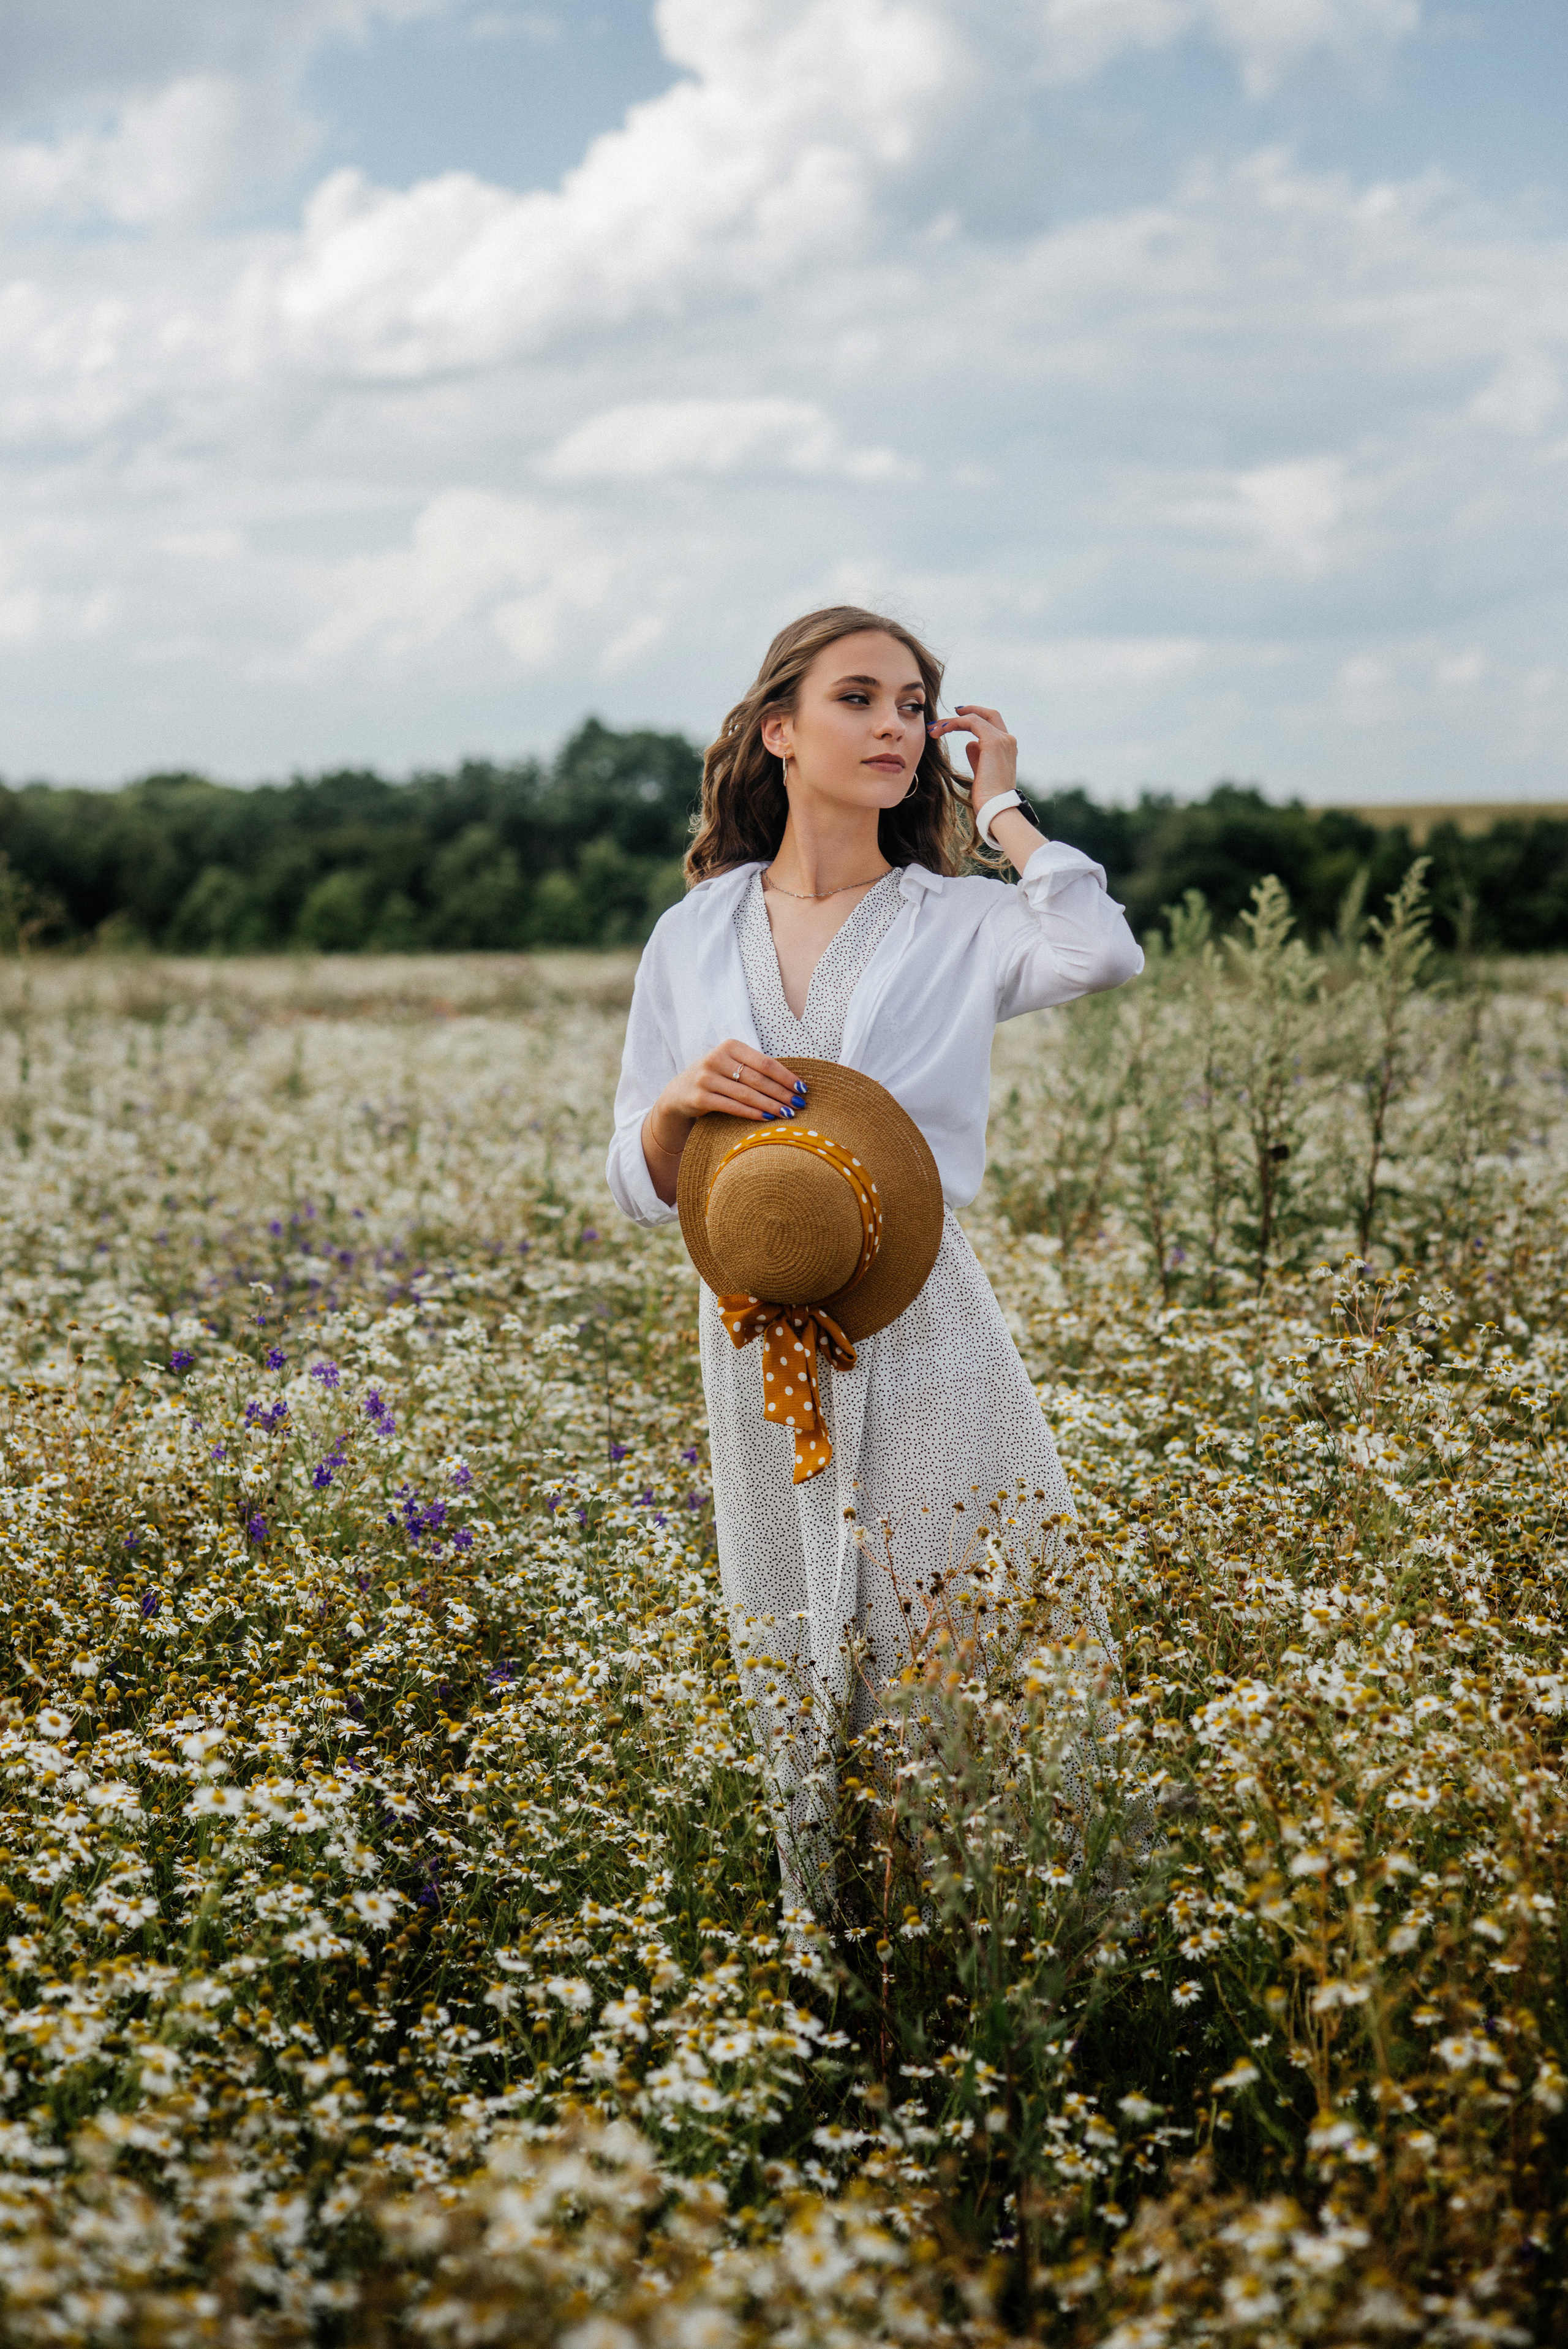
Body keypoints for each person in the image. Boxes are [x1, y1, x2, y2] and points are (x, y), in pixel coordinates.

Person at [605, 605, 1142, 1908]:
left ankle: (1001, 1921)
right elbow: (632, 1178)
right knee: (791, 1639)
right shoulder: (691, 934)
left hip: (921, 1316)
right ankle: (837, 1944)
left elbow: (1097, 948)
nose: (895, 726)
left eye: (914, 706)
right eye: (860, 699)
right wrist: (679, 1104)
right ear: (777, 730)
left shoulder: (958, 919)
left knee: (955, 1618)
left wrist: (1003, 810)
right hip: (749, 1328)